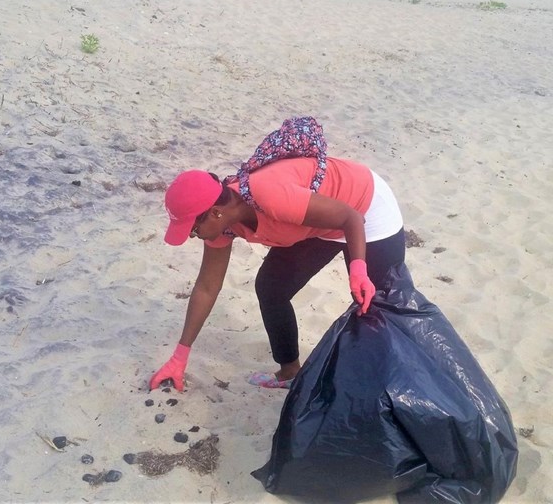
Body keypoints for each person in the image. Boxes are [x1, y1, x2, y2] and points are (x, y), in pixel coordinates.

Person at [150, 154, 405, 391]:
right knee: (272, 287)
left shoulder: (269, 195)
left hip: (364, 208)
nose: (194, 236)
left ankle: (391, 387)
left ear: (216, 213)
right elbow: (206, 287)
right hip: (313, 220)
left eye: (193, 230)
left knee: (378, 306)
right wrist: (179, 357)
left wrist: (358, 270)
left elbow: (351, 218)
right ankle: (290, 372)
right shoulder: (223, 226)